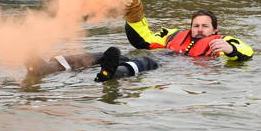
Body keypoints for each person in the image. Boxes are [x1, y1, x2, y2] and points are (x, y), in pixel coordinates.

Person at [122, 0, 254, 61]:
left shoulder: (223, 42)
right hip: (164, 61)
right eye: (196, 26)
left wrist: (231, 50)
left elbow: (248, 52)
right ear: (191, 28)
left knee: (145, 63)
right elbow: (143, 41)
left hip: (192, 72)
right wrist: (134, 15)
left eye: (205, 26)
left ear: (215, 30)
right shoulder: (173, 35)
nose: (200, 29)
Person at [24, 45, 160, 83]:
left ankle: (48, 67)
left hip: (159, 57)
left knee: (149, 61)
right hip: (129, 57)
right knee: (145, 61)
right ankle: (110, 74)